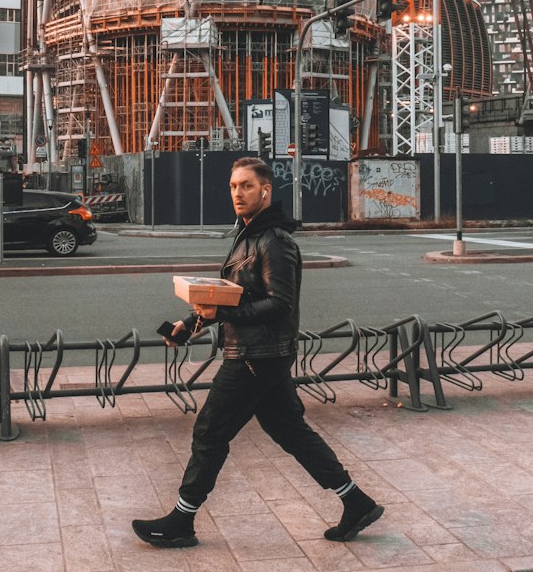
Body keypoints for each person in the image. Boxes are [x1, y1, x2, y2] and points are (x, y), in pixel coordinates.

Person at [132, 156, 384, 549]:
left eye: (246, 186)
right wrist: (191, 323)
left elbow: (280, 304)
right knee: (291, 431)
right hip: (260, 352)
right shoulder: (246, 234)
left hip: (255, 356)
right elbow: (230, 296)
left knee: (210, 432)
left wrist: (224, 313)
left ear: (265, 190)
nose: (237, 193)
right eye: (233, 186)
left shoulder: (275, 241)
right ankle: (356, 501)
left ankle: (182, 520)